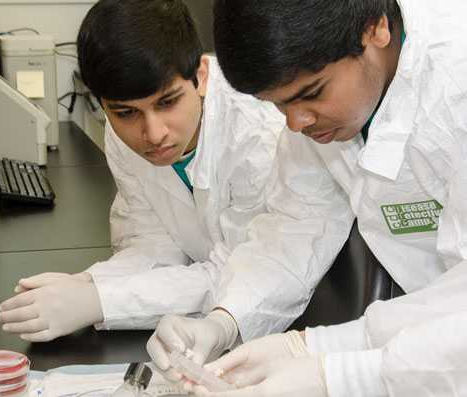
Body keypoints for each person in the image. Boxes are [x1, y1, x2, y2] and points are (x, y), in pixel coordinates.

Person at [149, 0, 467, 396]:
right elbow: (297, 225)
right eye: (279, 104)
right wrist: (224, 320)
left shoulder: (457, 80)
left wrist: (337, 374)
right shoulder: (328, 106)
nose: (295, 123)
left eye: (311, 93)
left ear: (376, 29)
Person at [0, 0, 315, 343]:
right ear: (104, 104)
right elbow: (151, 240)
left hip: (275, 322)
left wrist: (100, 301)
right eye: (126, 113)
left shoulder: (257, 136)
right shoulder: (122, 133)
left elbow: (239, 274)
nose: (153, 133)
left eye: (167, 102)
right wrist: (87, 283)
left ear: (201, 77)